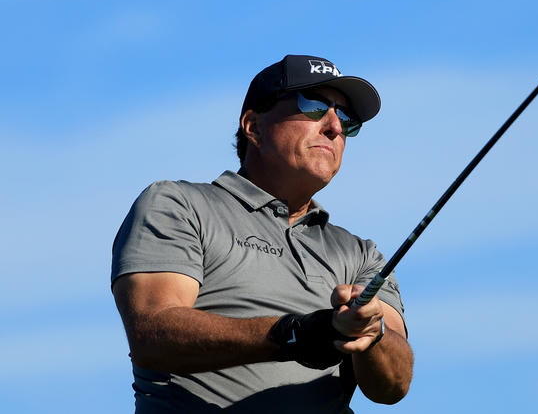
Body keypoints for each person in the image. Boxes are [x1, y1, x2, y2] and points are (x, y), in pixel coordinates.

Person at [111, 54, 413, 413]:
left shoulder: (361, 254)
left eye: (346, 118)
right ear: (253, 127)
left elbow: (393, 386)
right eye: (314, 106)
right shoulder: (178, 204)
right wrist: (293, 334)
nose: (334, 126)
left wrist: (371, 331)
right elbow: (153, 334)